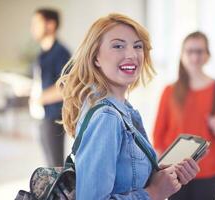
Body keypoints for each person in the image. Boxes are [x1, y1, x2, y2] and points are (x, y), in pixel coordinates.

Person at [57, 13, 202, 199]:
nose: (132, 54)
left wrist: (160, 177)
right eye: (118, 46)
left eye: (138, 46)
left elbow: (125, 177)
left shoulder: (120, 108)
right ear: (95, 58)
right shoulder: (107, 117)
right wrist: (154, 192)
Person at [153, 31, 215, 200]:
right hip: (175, 170)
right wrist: (160, 171)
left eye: (199, 51)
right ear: (182, 55)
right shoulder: (170, 91)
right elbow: (158, 133)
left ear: (207, 55)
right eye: (189, 51)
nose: (194, 57)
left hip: (209, 169)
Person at [30, 8, 71, 167]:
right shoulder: (42, 54)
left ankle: (59, 193)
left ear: (50, 25)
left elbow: (66, 87)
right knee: (48, 165)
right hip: (42, 115)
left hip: (54, 117)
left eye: (36, 23)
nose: (32, 28)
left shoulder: (61, 53)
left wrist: (39, 98)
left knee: (55, 166)